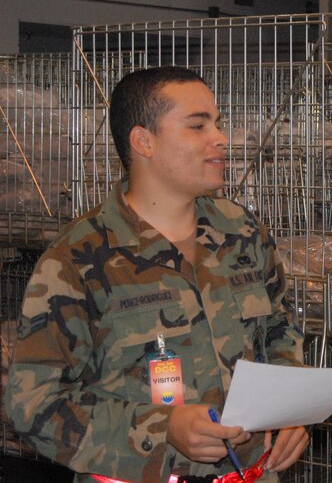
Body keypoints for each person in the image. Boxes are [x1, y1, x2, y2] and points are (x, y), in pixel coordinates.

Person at [5, 66, 308, 482]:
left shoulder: (242, 232)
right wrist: (162, 430)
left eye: (217, 123)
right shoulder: (78, 259)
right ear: (143, 141)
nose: (219, 137)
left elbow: (279, 330)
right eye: (198, 125)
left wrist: (290, 411)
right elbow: (34, 406)